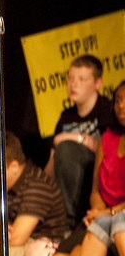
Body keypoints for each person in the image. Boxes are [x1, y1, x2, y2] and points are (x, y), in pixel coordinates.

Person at [46, 79, 125, 256]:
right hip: (107, 214)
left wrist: (110, 212)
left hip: (119, 215)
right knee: (98, 226)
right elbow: (95, 188)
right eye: (118, 100)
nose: (121, 106)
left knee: (117, 221)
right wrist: (99, 209)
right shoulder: (108, 137)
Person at [47, 55, 116, 231]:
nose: (73, 84)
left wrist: (74, 138)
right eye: (70, 78)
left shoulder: (107, 109)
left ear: (97, 83)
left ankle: (70, 224)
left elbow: (107, 150)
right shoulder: (66, 116)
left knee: (67, 149)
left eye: (82, 79)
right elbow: (53, 161)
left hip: (98, 181)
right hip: (69, 187)